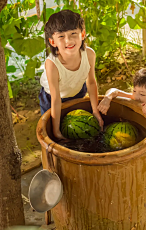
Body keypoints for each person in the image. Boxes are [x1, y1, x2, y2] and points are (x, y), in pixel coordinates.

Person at [39, 10, 103, 140]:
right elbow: (56, 99)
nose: (68, 40)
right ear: (52, 42)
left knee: (76, 126)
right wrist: (56, 132)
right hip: (52, 98)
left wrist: (95, 111)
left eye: (73, 33)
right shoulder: (52, 64)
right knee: (53, 133)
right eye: (61, 36)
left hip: (78, 91)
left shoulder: (89, 55)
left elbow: (91, 82)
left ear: (83, 34)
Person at [98, 62, 146, 158]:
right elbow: (114, 91)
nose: (136, 96)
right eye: (134, 90)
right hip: (140, 135)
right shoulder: (135, 97)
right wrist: (107, 98)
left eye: (142, 94)